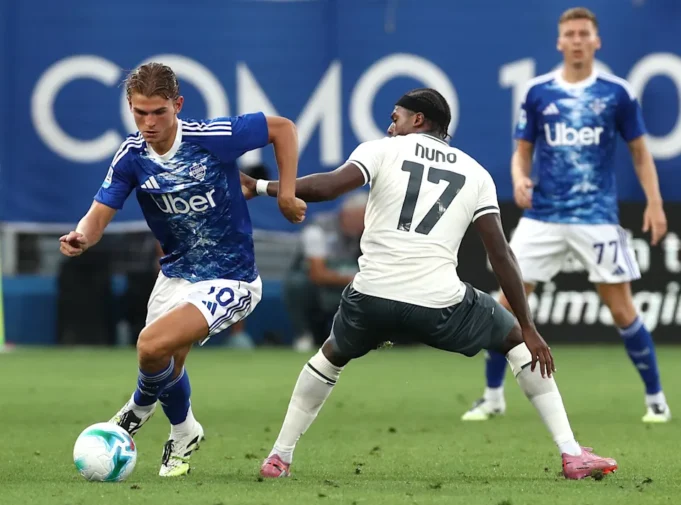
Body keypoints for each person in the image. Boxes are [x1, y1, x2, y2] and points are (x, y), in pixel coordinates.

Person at [242, 87, 618, 480]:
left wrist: (262, 186)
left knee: (330, 356)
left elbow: (328, 187)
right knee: (515, 340)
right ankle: (571, 453)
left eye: (396, 118)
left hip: (370, 297)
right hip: (440, 303)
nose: (391, 127)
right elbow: (501, 255)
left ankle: (279, 457)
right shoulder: (476, 173)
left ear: (418, 119)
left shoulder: (381, 150)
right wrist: (528, 327)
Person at [59, 62, 306, 477]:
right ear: (130, 108)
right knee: (166, 362)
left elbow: (283, 129)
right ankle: (184, 432)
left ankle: (139, 406)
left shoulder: (212, 138)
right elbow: (98, 214)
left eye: (158, 112)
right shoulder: (132, 156)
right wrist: (82, 236)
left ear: (178, 105)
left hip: (231, 277)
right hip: (175, 274)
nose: (149, 123)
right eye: (140, 113)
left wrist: (286, 194)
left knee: (150, 345)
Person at [462, 7, 670, 424]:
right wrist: (519, 179)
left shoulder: (617, 93)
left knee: (622, 309)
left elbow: (639, 152)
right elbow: (522, 153)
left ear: (596, 41)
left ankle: (656, 400)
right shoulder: (539, 92)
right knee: (507, 305)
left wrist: (654, 202)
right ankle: (492, 396)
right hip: (543, 217)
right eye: (570, 34)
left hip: (597, 217)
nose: (577, 40)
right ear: (559, 42)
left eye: (583, 34)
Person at [284, 191, 366, 352]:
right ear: (346, 215)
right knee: (297, 284)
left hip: (351, 282)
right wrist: (353, 278)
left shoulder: (369, 233)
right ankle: (304, 335)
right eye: (362, 218)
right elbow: (318, 274)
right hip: (320, 285)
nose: (365, 223)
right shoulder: (317, 230)